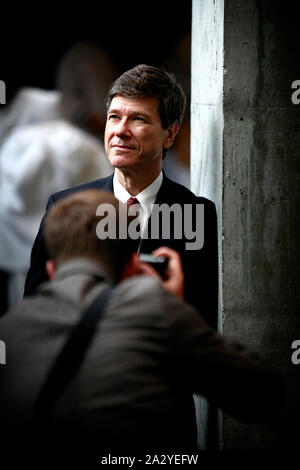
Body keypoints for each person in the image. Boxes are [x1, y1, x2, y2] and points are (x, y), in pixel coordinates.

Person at [0, 189, 284, 464]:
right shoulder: (154, 306)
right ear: (131, 267)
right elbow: (262, 395)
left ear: (51, 269)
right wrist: (173, 307)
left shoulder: (9, 329)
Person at [24, 64, 218, 328]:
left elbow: (203, 318)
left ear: (169, 135)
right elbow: (36, 307)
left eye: (138, 119)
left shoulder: (196, 213)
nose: (120, 130)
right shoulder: (65, 207)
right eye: (114, 117)